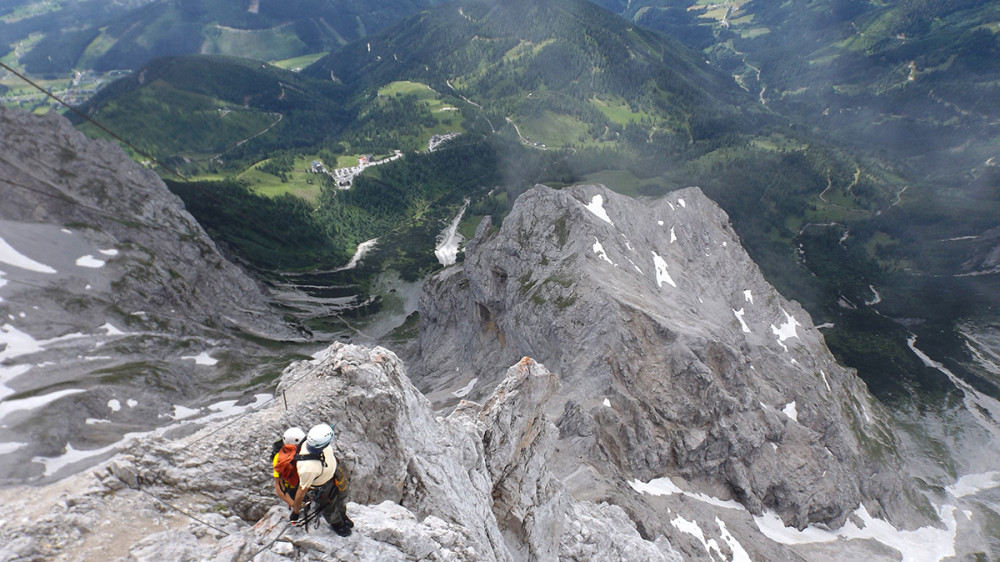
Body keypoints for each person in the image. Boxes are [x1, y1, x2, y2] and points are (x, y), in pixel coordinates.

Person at [290, 424, 353, 536]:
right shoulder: (308, 468)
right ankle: (337, 524)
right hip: (322, 486)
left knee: (341, 496)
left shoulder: (315, 443)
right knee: (329, 507)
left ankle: (342, 515)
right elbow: (301, 491)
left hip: (333, 474)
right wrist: (295, 512)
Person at [273, 426, 305, 509]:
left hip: (294, 488)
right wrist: (294, 505)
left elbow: (278, 485)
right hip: (300, 487)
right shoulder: (307, 452)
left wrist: (293, 505)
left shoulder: (278, 457)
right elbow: (278, 485)